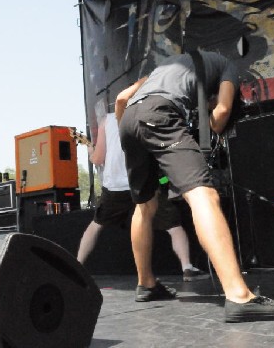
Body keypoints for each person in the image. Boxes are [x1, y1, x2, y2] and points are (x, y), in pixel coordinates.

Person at [115, 50, 274, 322]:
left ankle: (146, 284)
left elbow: (121, 98)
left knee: (145, 206)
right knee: (204, 195)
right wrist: (210, 123)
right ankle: (239, 296)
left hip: (129, 120)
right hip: (160, 114)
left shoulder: (160, 71)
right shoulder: (226, 65)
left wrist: (131, 132)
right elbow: (222, 112)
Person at [77, 111, 207, 282]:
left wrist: (89, 149)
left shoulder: (106, 121)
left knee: (96, 225)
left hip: (116, 187)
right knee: (174, 226)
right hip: (143, 182)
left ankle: (77, 266)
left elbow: (98, 158)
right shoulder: (146, 113)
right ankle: (187, 268)